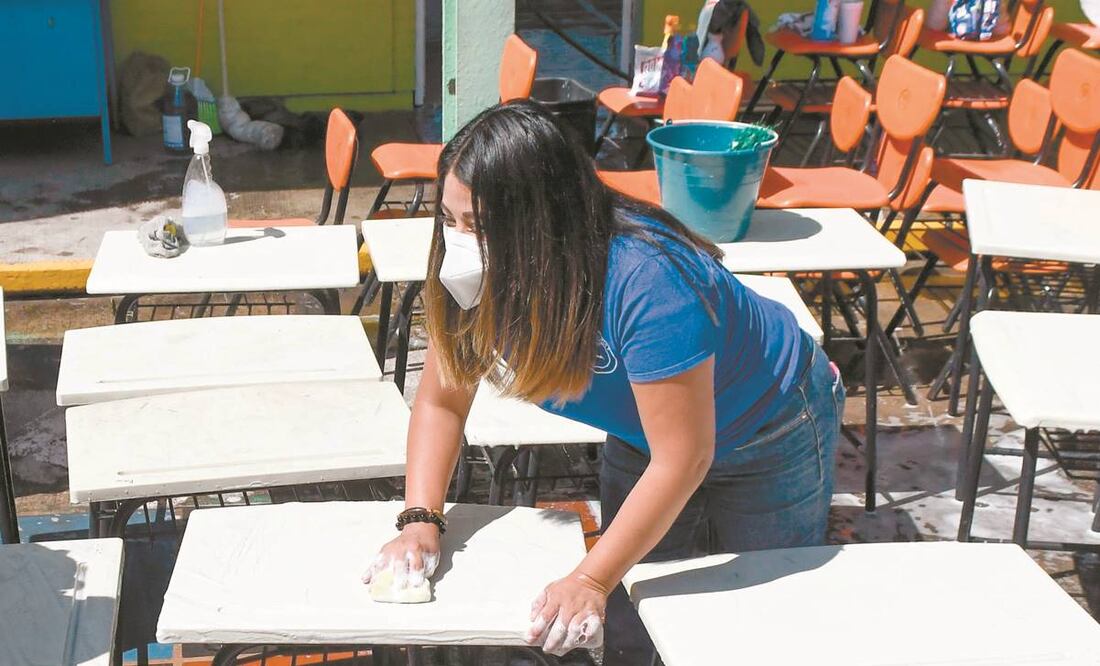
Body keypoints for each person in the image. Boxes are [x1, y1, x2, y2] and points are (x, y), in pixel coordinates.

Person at [362, 100, 844, 663]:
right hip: (649, 437)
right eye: (450, 219)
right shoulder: (474, 273)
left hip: (770, 425)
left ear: (547, 223)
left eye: (480, 225)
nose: (460, 242)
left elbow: (683, 458)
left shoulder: (648, 280)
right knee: (633, 616)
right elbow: (443, 402)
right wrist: (421, 519)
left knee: (752, 613)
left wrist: (589, 579)